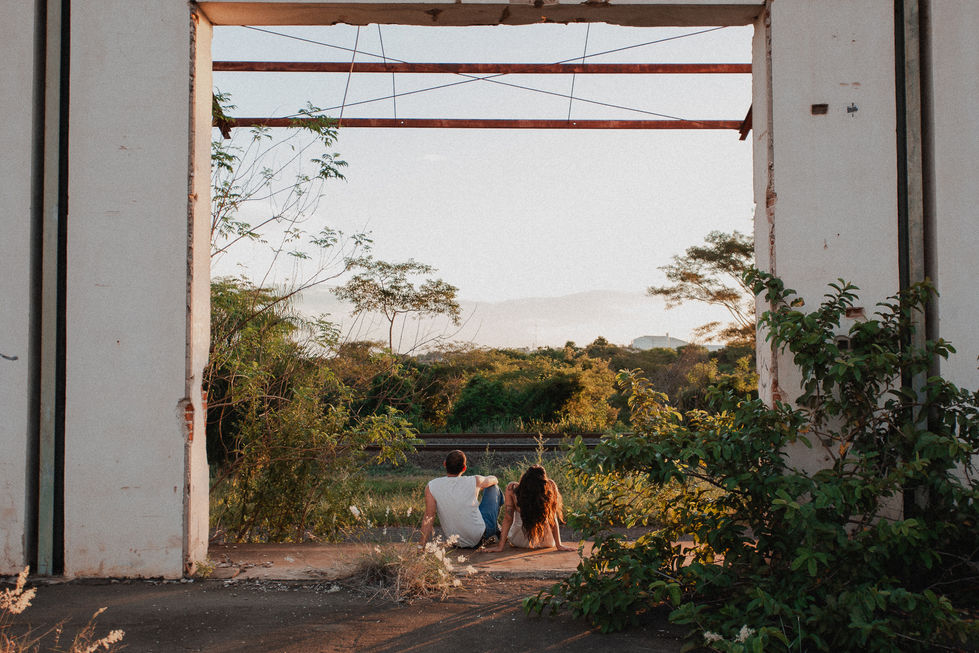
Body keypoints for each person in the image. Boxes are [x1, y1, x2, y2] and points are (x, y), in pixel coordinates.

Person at [420, 450, 504, 548]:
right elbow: (494, 479)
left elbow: (429, 517)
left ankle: (495, 528)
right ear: (464, 468)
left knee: (476, 506)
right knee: (493, 487)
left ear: (444, 464)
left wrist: (421, 545)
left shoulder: (432, 486)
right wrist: (479, 487)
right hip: (480, 538)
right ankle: (495, 528)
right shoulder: (474, 480)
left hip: (455, 542)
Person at [484, 465, 575, 552]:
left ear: (525, 478)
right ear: (543, 480)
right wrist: (559, 545)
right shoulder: (550, 487)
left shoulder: (512, 488)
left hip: (518, 540)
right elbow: (553, 519)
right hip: (545, 541)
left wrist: (500, 547)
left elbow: (508, 519)